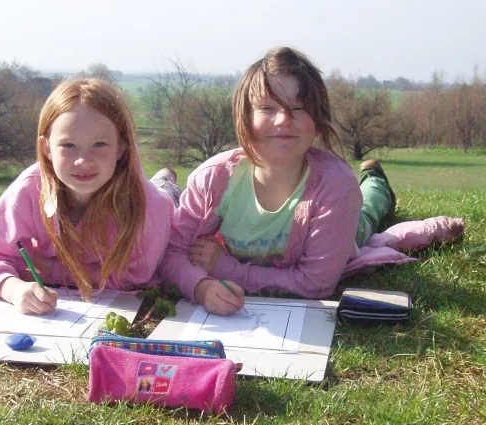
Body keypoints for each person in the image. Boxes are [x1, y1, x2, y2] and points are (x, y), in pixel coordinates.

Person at [159, 47, 399, 315]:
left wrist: (225, 269)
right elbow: (172, 254)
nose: (284, 119)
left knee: (366, 219)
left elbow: (315, 284)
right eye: (267, 108)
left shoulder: (336, 188)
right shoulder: (213, 179)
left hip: (342, 227)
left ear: (318, 122)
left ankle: (377, 184)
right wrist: (201, 287)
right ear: (245, 117)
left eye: (298, 108)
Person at [0, 78, 175, 314]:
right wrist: (13, 289)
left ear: (121, 148)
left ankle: (165, 179)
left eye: (99, 144)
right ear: (46, 148)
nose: (83, 161)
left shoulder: (149, 206)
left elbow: (136, 276)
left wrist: (51, 270)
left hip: (167, 200)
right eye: (68, 145)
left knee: (164, 190)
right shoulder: (29, 190)